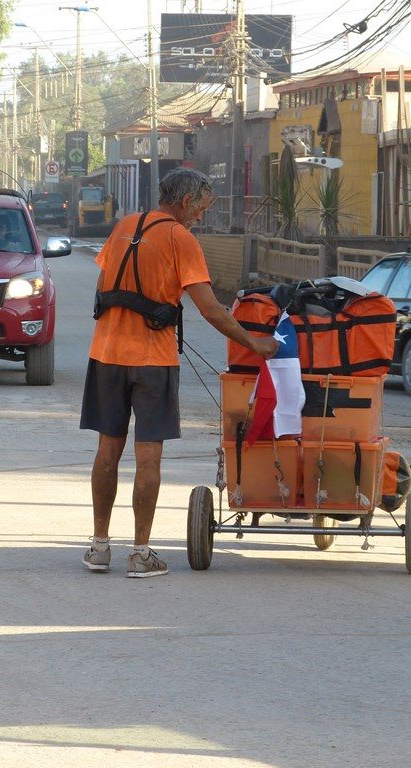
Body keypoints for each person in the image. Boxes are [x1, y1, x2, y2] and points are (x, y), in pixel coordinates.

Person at [79, 168, 279, 578]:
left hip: (105, 354)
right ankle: (140, 553)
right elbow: (210, 309)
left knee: (107, 451)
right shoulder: (180, 238)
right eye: (202, 210)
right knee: (148, 456)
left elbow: (103, 287)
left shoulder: (123, 226)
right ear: (186, 203)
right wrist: (255, 344)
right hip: (152, 361)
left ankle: (99, 547)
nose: (201, 218)